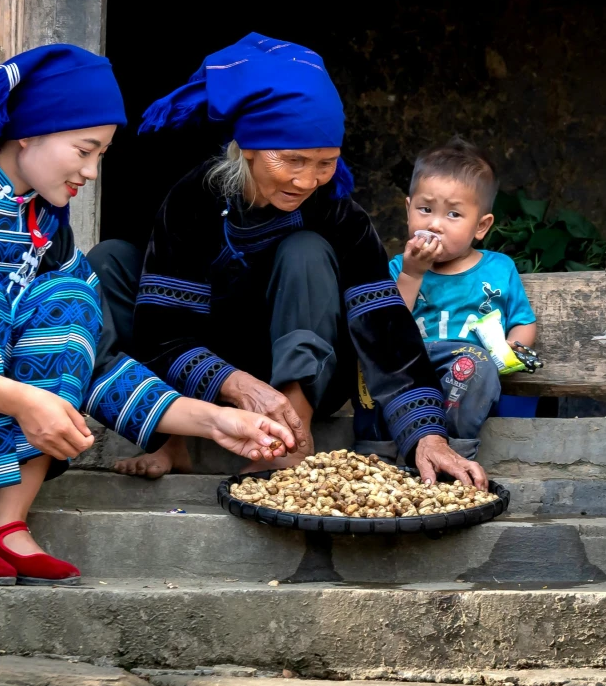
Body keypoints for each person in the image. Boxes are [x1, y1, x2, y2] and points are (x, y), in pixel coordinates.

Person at [0, 44, 295, 585]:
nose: (92, 172)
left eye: (100, 155)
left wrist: (214, 421)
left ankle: (6, 520)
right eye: (84, 150)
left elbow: (96, 362)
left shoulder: (45, 224)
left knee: (71, 298)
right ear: (30, 131)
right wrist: (25, 401)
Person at [94, 34, 490, 491]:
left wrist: (428, 435)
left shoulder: (336, 210)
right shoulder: (194, 200)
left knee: (304, 248)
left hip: (306, 367)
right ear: (248, 148)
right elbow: (162, 331)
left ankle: (291, 436)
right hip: (216, 368)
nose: (308, 180)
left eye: (325, 163)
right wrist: (236, 383)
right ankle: (172, 435)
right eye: (293, 160)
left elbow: (383, 323)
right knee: (111, 262)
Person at [391, 139, 539, 438]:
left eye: (453, 214)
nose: (434, 224)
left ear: (481, 226)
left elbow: (523, 321)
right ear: (408, 210)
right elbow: (388, 326)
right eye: (424, 209)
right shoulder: (399, 267)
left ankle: (454, 448)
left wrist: (512, 347)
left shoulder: (498, 269)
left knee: (473, 366)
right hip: (414, 372)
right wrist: (412, 274)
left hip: (467, 378)